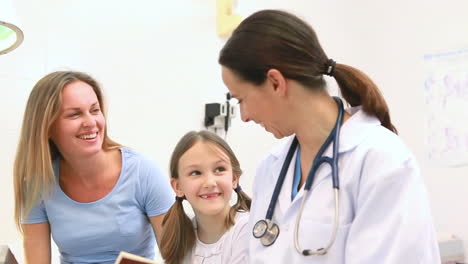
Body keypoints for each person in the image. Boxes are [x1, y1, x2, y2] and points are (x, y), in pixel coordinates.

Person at [218, 9, 440, 264]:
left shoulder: (380, 160)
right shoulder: (272, 168)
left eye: (241, 100)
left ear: (275, 83)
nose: (244, 116)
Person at [13, 71, 175, 264]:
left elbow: (178, 257)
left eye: (95, 110)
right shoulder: (37, 184)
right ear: (46, 127)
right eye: (74, 114)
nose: (91, 122)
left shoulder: (143, 172)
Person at [160, 130, 251, 264]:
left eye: (219, 169)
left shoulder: (247, 229)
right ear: (178, 187)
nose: (209, 182)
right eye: (195, 172)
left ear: (234, 178)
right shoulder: (182, 238)